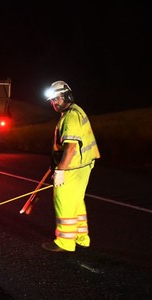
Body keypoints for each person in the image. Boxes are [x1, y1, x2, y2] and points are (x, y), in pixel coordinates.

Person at [42, 81, 101, 252]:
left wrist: (61, 170)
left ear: (66, 96)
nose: (54, 103)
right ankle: (82, 237)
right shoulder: (74, 112)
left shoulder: (71, 116)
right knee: (76, 201)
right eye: (52, 100)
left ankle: (65, 242)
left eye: (56, 99)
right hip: (82, 166)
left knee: (64, 201)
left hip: (73, 168)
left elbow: (71, 147)